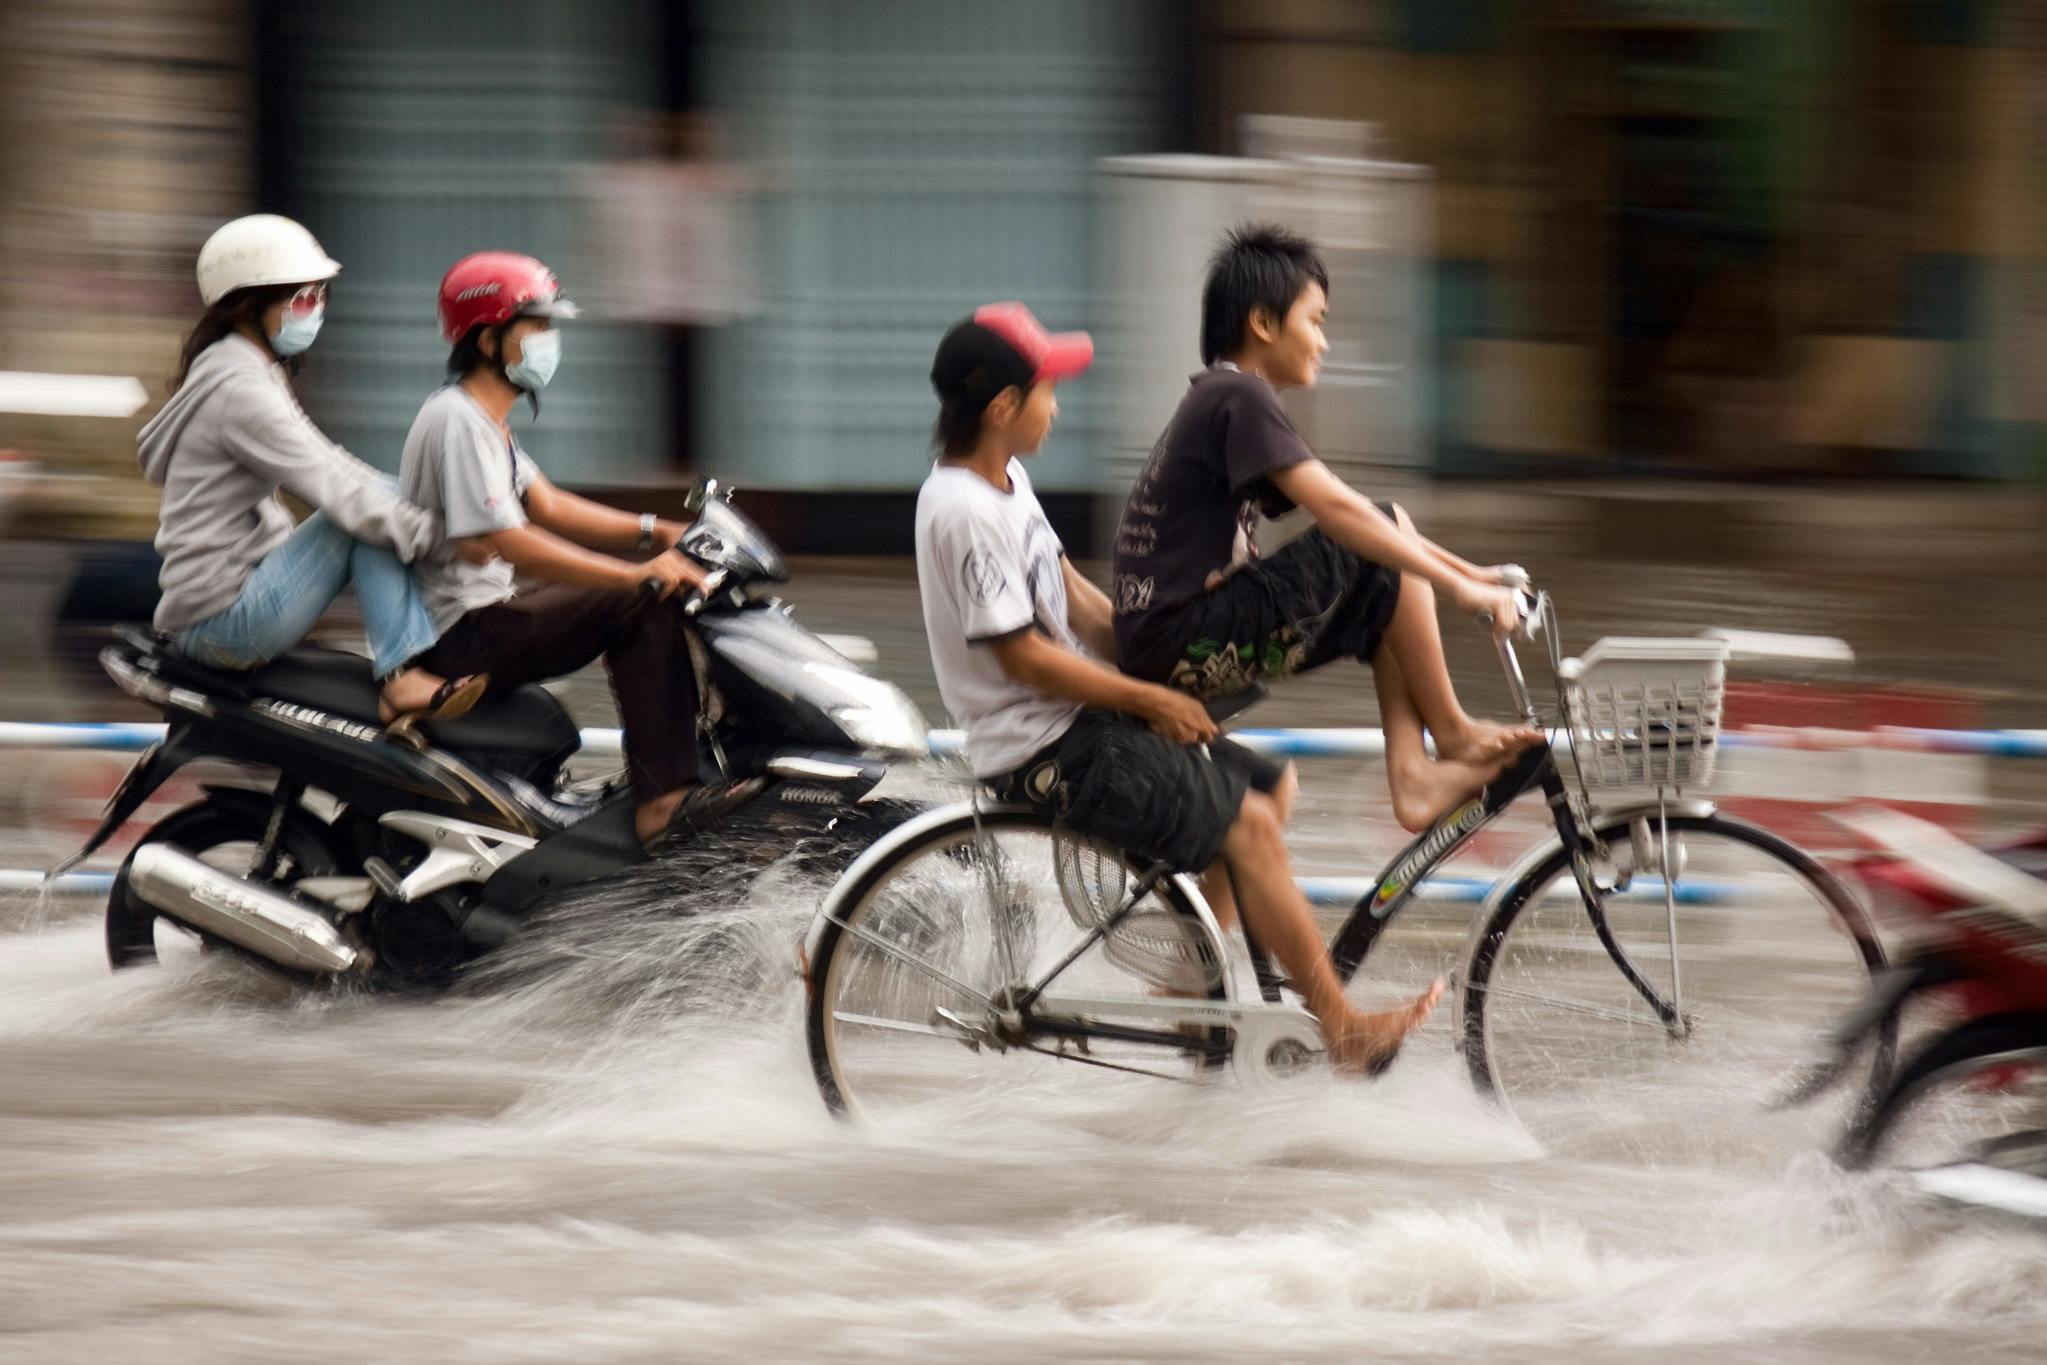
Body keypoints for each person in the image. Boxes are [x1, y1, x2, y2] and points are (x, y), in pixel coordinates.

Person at [914, 302, 1441, 1074]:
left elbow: (1076, 602)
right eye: (1046, 392)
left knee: (1268, 787)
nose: (1057, 409)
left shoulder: (1006, 482)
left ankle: (1183, 994)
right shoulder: (960, 511)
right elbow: (1022, 655)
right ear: (1002, 408)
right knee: (1252, 827)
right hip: (1048, 747)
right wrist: (1148, 699)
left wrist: (1156, 651)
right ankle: (1341, 1030)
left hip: (1079, 721)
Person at [1111, 224, 1540, 834]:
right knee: (1380, 534)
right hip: (1185, 643)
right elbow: (1341, 513)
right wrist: (1462, 591)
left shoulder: (1222, 396)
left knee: (1382, 566)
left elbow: (1354, 510)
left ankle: (1415, 769)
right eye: (1315, 321)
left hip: (1172, 644)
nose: (1324, 342)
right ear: (1263, 322)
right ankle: (1450, 734)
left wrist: (1472, 572)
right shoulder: (1239, 395)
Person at [399, 251, 748, 846]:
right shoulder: (457, 420)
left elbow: (551, 505)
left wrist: (656, 530)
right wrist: (633, 575)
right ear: (488, 340)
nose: (548, 340)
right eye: (536, 326)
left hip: (486, 620)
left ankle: (687, 769)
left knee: (643, 586)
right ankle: (662, 800)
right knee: (639, 601)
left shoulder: (485, 420)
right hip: (460, 635)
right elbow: (506, 539)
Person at [139, 214, 482, 725]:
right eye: (303, 299)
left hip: (228, 603)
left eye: (321, 297)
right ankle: (403, 673)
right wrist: (445, 539)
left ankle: (408, 661)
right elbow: (335, 486)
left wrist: (426, 519)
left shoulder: (244, 369)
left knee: (382, 501)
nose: (315, 313)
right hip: (223, 622)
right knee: (359, 520)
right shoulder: (240, 389)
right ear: (248, 304)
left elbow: (335, 464)